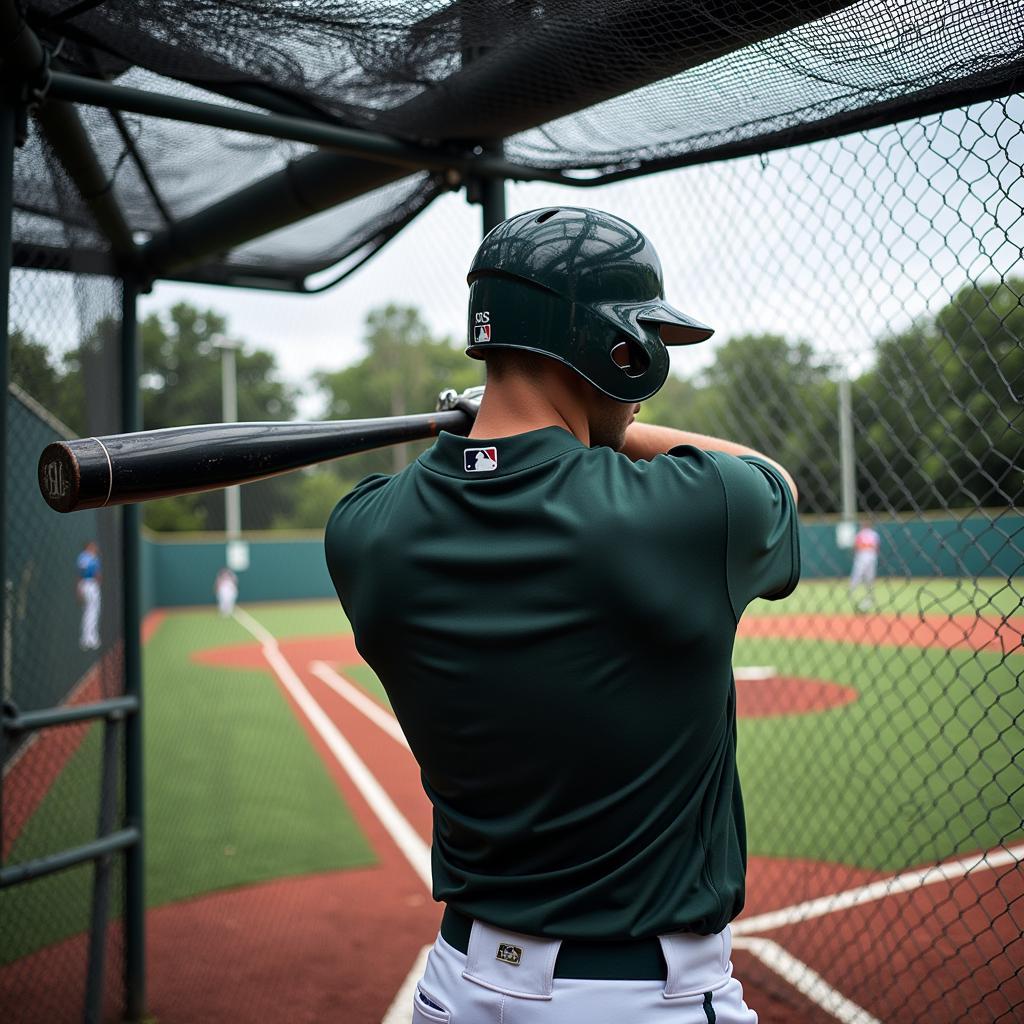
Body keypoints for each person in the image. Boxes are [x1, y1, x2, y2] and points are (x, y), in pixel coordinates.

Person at [325, 207, 800, 1023]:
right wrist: (606, 433)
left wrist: (483, 423)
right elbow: (772, 482)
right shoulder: (688, 513)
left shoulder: (364, 530)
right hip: (642, 998)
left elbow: (480, 477)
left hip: (456, 986)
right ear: (611, 347)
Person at [76, 540, 101, 651]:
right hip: (90, 585)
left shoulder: (83, 557)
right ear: (89, 547)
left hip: (85, 585)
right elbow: (96, 574)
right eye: (93, 546)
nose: (95, 547)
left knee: (89, 612)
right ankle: (90, 639)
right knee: (92, 612)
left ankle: (88, 639)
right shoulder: (90, 557)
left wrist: (79, 588)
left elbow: (79, 574)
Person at [849, 522, 880, 611]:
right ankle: (869, 590)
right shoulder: (874, 534)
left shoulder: (860, 533)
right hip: (872, 555)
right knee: (869, 576)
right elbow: (877, 546)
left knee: (857, 574)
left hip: (862, 555)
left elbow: (856, 545)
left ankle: (852, 588)